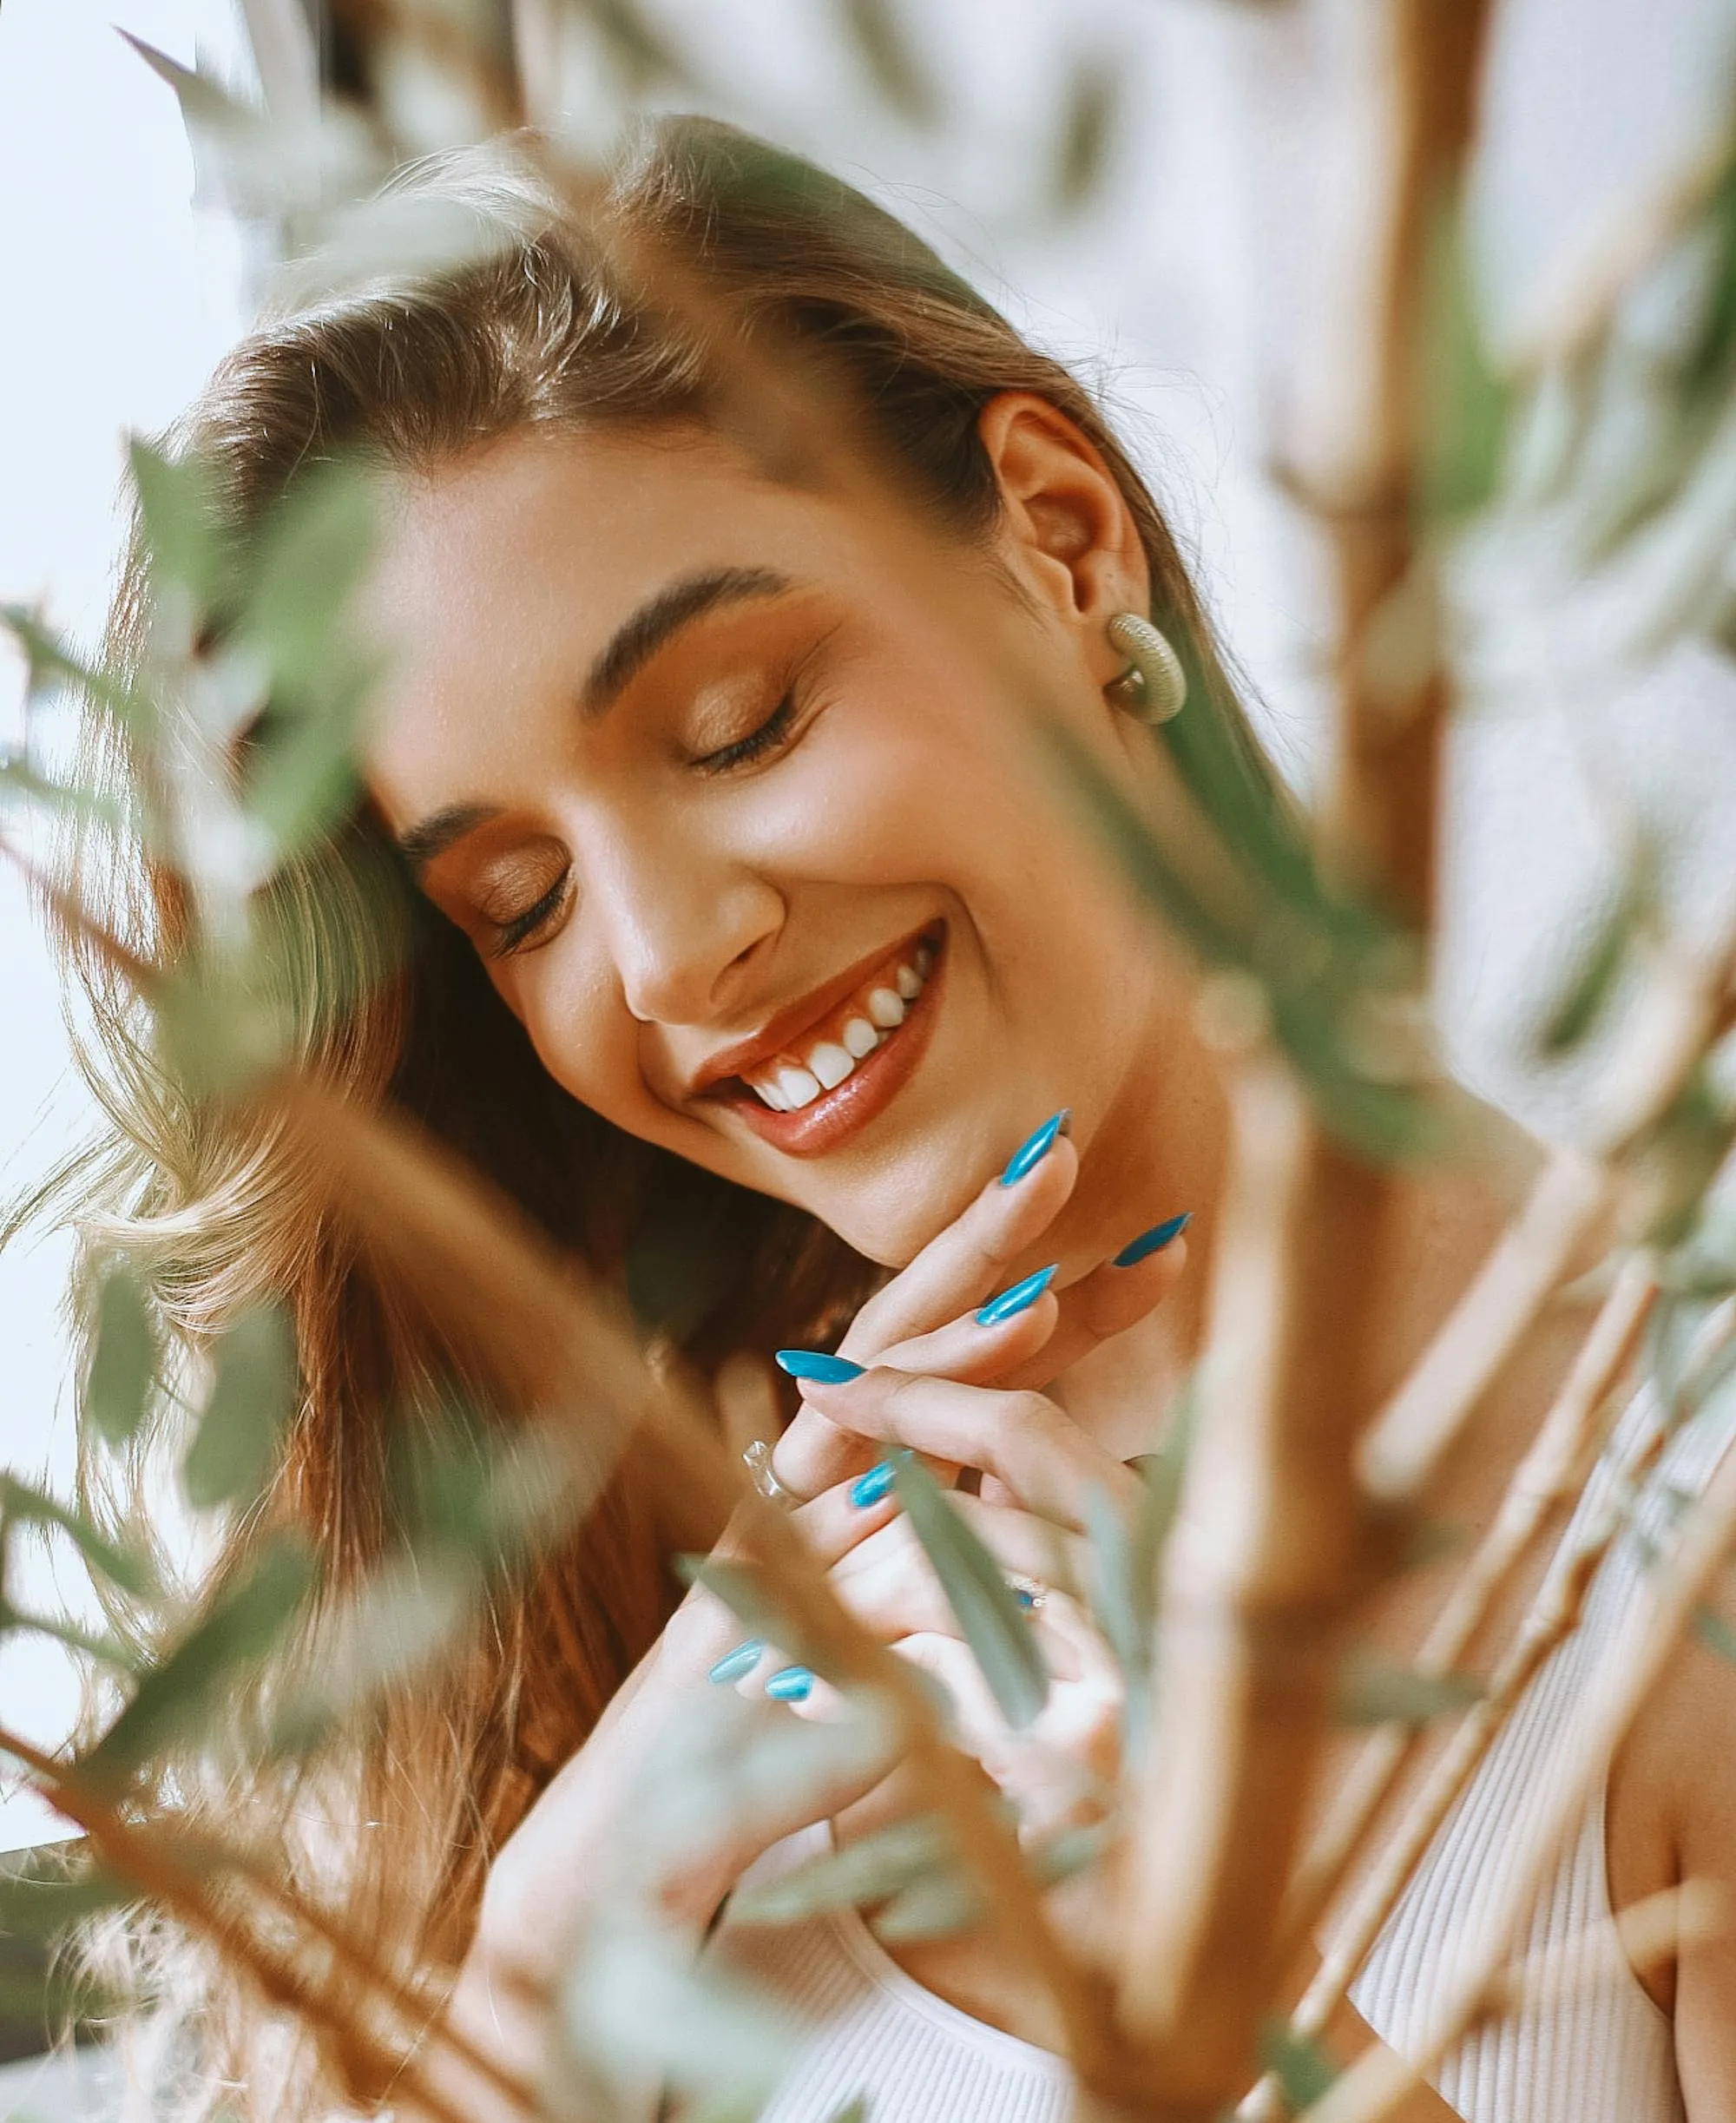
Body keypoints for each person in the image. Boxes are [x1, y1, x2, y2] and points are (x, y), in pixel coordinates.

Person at [53, 116, 1736, 2123]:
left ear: (1061, 532)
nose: (674, 958)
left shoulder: (1664, 1517)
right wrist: (529, 1970)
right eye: (521, 902)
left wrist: (1189, 1960)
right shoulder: (567, 1556)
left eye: (738, 723)